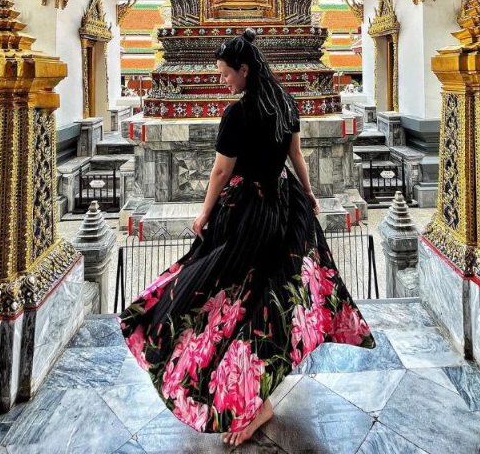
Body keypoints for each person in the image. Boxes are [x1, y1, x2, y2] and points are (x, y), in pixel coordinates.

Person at [119, 29, 375, 446]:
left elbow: (221, 172)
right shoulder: (286, 104)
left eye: (225, 75)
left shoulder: (237, 114)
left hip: (246, 215)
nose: (223, 82)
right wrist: (308, 196)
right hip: (282, 207)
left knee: (228, 298)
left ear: (245, 69)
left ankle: (250, 400)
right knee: (263, 302)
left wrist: (203, 213)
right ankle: (255, 399)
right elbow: (296, 159)